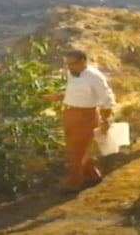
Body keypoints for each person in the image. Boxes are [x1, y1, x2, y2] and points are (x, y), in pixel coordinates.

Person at [43, 49, 116, 194]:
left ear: (83, 62)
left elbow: (107, 98)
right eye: (67, 64)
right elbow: (77, 92)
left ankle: (73, 183)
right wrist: (58, 96)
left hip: (85, 116)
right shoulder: (73, 73)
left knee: (76, 151)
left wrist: (105, 120)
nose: (69, 67)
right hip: (70, 113)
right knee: (76, 148)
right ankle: (93, 175)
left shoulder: (94, 77)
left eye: (73, 64)